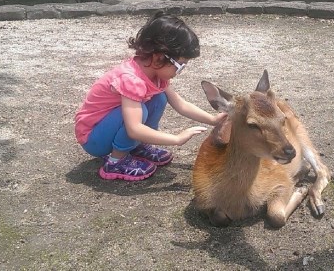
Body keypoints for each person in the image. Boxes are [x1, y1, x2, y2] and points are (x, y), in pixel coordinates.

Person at [74, 11, 226, 181]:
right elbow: (134, 128)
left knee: (159, 98)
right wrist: (176, 139)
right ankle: (116, 161)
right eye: (180, 65)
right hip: (94, 138)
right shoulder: (131, 80)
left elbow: (180, 104)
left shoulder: (155, 76)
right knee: (140, 113)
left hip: (107, 129)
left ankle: (136, 147)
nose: (181, 71)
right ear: (159, 57)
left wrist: (213, 120)